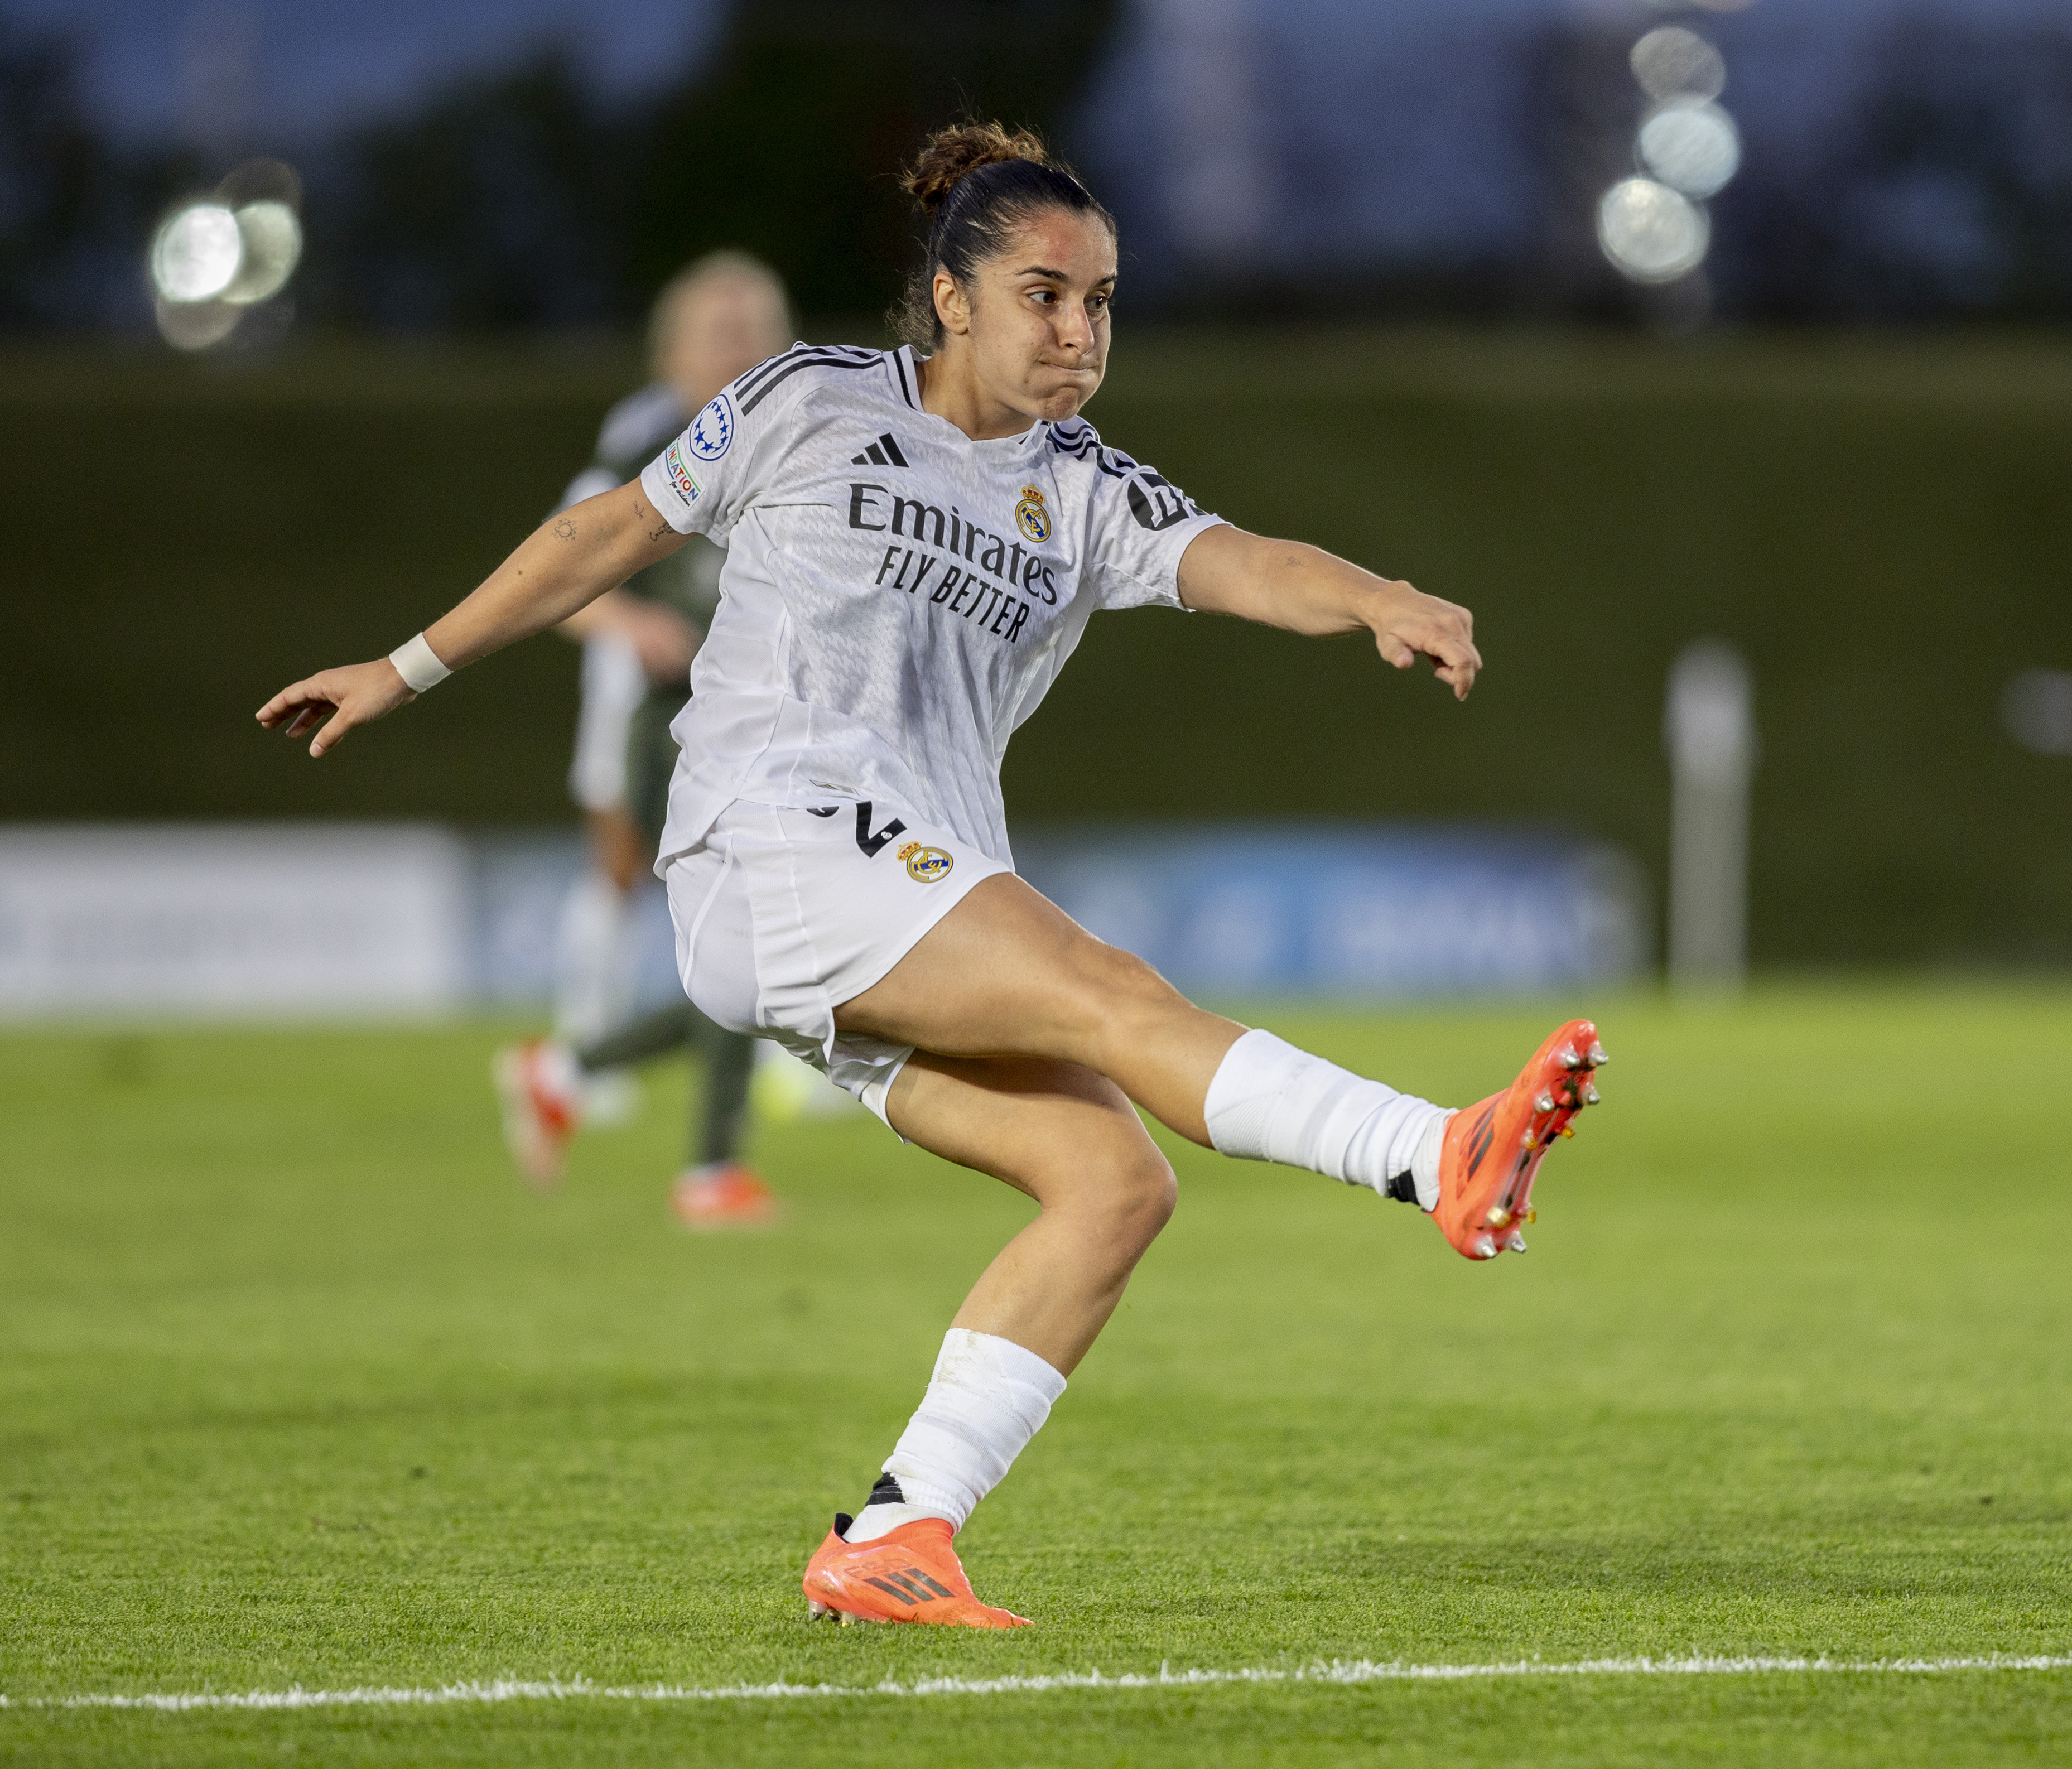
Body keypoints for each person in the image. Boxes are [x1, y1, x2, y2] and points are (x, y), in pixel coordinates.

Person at [259, 122, 1606, 1630]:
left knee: (1109, 1182)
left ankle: (897, 1530)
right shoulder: (809, 400)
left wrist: (1375, 596)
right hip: (772, 835)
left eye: (1101, 301)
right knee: (1109, 992)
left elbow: (1241, 558)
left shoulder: (1080, 487)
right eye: (1045, 294)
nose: (1079, 332)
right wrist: (405, 666)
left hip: (881, 892)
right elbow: (607, 534)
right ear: (952, 297)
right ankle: (1438, 1152)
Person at [497, 252, 796, 1228]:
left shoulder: (804, 424)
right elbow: (553, 564)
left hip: (780, 726)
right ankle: (710, 1170)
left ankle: (570, 1067)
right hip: (679, 724)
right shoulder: (648, 434)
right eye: (718, 331)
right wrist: (631, 624)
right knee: (743, 945)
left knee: (773, 959)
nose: (737, 347)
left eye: (753, 329)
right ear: (673, 347)